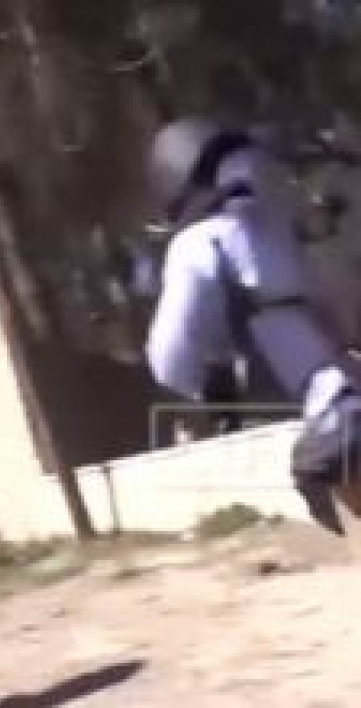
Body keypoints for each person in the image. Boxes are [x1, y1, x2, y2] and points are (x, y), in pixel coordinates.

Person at [145, 116, 361, 534]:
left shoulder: (201, 242)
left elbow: (171, 361)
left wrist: (212, 380)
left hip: (340, 416)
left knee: (318, 472)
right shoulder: (289, 226)